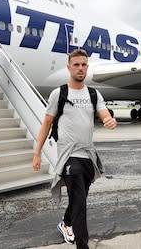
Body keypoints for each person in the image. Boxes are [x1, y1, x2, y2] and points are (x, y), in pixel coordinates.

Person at [32, 49, 117, 248]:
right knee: (80, 203)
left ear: (87, 67)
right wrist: (37, 153)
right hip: (69, 155)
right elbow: (46, 124)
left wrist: (109, 120)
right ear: (69, 67)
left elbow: (103, 112)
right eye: (76, 65)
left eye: (84, 64)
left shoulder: (93, 94)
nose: (80, 68)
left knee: (80, 198)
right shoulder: (58, 94)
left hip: (88, 154)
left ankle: (66, 223)